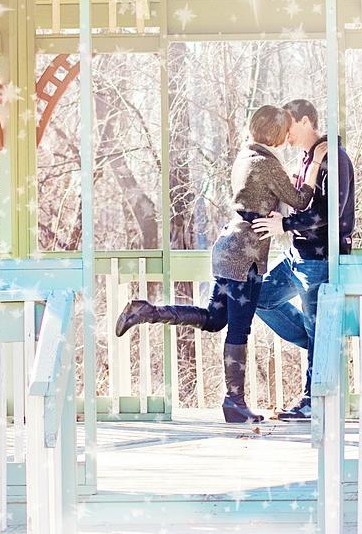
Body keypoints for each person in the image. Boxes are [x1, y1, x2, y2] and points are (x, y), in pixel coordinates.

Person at [113, 105, 327, 423]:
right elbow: (300, 201)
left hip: (227, 247)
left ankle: (147, 311)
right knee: (239, 329)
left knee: (215, 319)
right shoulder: (265, 163)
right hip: (245, 255)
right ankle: (234, 402)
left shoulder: (245, 156)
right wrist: (317, 161)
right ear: (276, 133)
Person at [251, 98, 356, 421]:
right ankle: (321, 345)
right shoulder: (305, 160)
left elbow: (328, 214)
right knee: (260, 298)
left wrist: (284, 224)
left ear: (307, 121)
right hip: (295, 255)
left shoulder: (334, 160)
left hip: (319, 259)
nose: (285, 132)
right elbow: (300, 203)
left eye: (289, 124)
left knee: (317, 325)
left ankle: (313, 401)